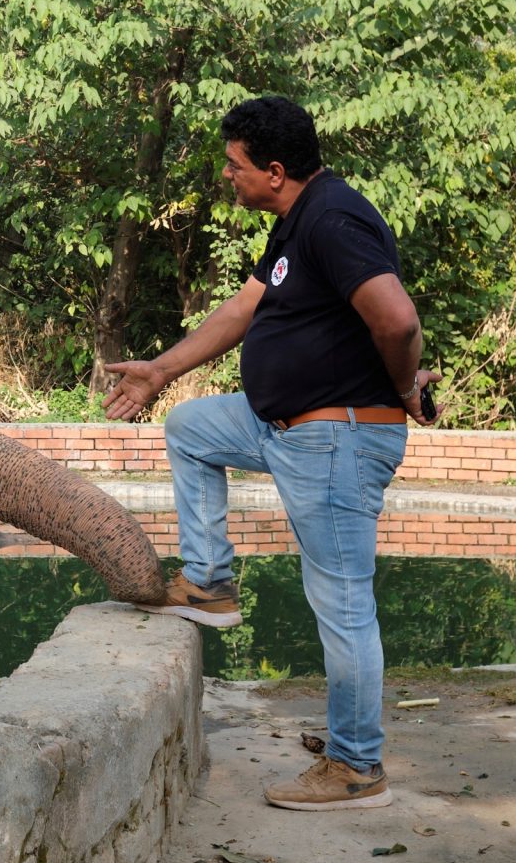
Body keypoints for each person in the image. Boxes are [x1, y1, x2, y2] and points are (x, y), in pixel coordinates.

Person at [103, 95, 439, 813]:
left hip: (336, 438)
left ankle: (356, 765)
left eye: (235, 166)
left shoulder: (336, 217)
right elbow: (243, 310)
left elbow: (398, 316)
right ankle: (211, 583)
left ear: (276, 171)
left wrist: (404, 381)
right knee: (191, 427)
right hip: (279, 424)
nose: (228, 177)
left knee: (343, 604)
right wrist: (161, 370)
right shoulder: (296, 222)